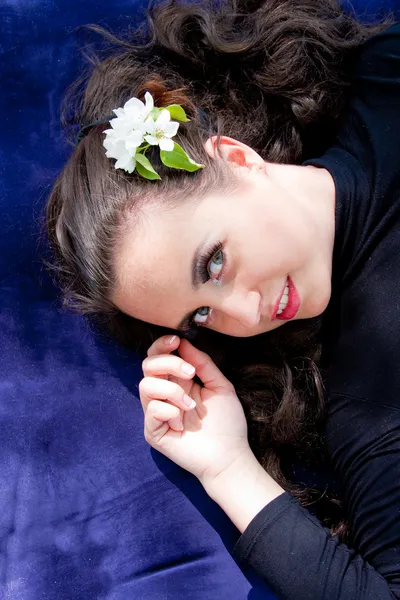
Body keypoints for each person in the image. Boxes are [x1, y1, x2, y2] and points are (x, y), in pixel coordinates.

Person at [45, 0, 400, 598]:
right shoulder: (366, 403)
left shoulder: (385, 75)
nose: (244, 313)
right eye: (201, 316)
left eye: (214, 263)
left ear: (237, 158)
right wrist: (229, 469)